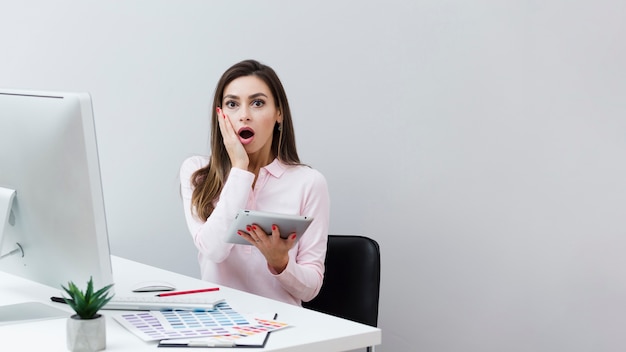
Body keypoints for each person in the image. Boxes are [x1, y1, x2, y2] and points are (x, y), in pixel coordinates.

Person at [180, 59, 330, 306]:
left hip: (284, 327)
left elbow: (310, 288)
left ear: (278, 113)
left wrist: (280, 262)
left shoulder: (309, 182)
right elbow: (215, 250)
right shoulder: (197, 173)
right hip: (218, 323)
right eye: (232, 104)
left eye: (257, 103)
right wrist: (240, 168)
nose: (244, 116)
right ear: (221, 115)